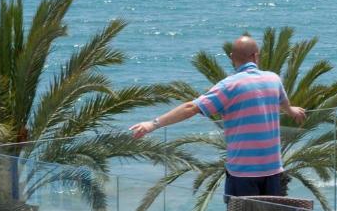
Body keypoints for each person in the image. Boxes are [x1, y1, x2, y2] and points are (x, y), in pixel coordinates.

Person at [130, 35, 305, 197]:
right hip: (273, 170)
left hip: (243, 173)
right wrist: (291, 111)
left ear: (231, 57)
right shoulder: (273, 79)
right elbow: (282, 100)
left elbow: (191, 108)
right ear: (256, 56)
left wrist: (153, 124)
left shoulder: (228, 86)